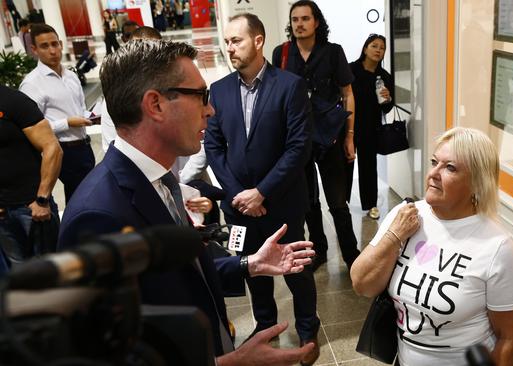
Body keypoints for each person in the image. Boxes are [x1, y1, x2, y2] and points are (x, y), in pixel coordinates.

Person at [58, 39, 316, 365]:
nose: (210, 109)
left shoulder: (161, 183)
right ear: (156, 105)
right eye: (201, 96)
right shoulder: (98, 216)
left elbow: (179, 277)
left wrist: (248, 264)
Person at [350, 127, 513, 366]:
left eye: (450, 167)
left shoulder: (498, 248)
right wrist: (394, 235)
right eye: (434, 162)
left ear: (477, 182)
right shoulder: (406, 215)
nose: (433, 173)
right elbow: (362, 284)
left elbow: (511, 338)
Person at [204, 13, 319, 365]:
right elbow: (214, 146)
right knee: (252, 269)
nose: (229, 48)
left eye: (236, 41)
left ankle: (307, 327)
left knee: (296, 269)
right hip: (240, 206)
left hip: (282, 202)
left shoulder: (289, 85)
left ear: (258, 41)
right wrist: (241, 194)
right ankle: (265, 324)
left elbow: (298, 147)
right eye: (226, 42)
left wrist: (262, 192)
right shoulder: (219, 90)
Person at [272, 0, 359, 271]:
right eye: (295, 19)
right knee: (308, 202)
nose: (299, 24)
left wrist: (349, 137)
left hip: (330, 137)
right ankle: (318, 250)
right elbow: (276, 97)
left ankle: (351, 255)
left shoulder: (333, 52)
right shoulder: (282, 53)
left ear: (316, 22)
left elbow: (347, 94)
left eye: (305, 19)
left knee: (337, 203)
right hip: (296, 139)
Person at [20, 23, 95, 204]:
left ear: (61, 44)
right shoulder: (31, 84)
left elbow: (79, 108)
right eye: (45, 46)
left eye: (55, 44)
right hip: (63, 150)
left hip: (84, 145)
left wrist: (91, 116)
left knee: (90, 196)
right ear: (34, 50)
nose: (52, 50)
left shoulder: (71, 75)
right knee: (80, 200)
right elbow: (31, 128)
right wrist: (67, 122)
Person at [0, 85, 62, 270]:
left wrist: (42, 200)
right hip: (2, 214)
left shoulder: (13, 101)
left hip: (31, 208)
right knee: (17, 274)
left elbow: (52, 148)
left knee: (50, 270)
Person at [346, 34, 394, 220]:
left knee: (368, 167)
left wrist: (388, 98)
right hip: (348, 125)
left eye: (382, 48)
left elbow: (387, 108)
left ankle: (371, 204)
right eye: (374, 46)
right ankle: (341, 203)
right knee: (345, 165)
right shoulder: (350, 70)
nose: (378, 50)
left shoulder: (384, 77)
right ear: (365, 48)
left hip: (370, 128)